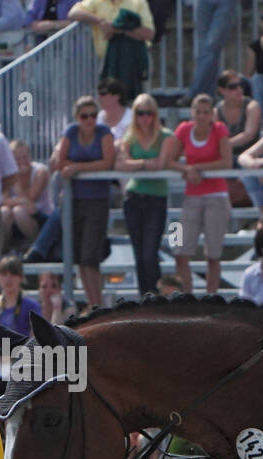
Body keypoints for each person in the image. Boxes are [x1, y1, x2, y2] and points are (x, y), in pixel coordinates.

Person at [51, 95, 116, 309]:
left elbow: (107, 162)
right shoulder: (70, 132)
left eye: (93, 115)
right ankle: (92, 304)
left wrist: (78, 167)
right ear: (77, 117)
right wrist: (85, 165)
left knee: (91, 256)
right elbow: (60, 162)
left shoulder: (104, 133)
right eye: (84, 116)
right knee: (79, 256)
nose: (89, 120)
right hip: (74, 200)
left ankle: (97, 304)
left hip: (97, 200)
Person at [163, 95, 231, 295]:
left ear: (212, 114)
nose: (201, 116)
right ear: (192, 112)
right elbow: (170, 160)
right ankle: (187, 298)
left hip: (217, 195)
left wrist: (195, 168)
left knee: (213, 254)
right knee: (180, 250)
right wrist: (186, 170)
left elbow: (226, 161)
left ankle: (211, 299)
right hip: (191, 196)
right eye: (198, 112)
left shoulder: (219, 130)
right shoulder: (184, 129)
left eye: (206, 112)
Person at [116, 92, 172, 297]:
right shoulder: (129, 137)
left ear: (155, 114)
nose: (145, 118)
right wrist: (144, 164)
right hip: (134, 197)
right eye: (140, 113)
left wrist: (136, 165)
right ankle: (144, 298)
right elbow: (120, 164)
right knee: (139, 255)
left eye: (149, 113)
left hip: (156, 198)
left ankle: (155, 297)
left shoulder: (165, 136)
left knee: (150, 253)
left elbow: (160, 164)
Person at [68, 0, 155, 93]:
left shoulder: (138, 3)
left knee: (139, 101)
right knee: (109, 101)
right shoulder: (95, 2)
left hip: (136, 62)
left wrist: (118, 29)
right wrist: (100, 21)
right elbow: (73, 13)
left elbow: (149, 33)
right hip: (107, 63)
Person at [216, 69, 263, 208]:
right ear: (222, 90)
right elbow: (213, 139)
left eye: (240, 85)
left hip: (250, 156)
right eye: (232, 87)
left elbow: (248, 135)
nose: (238, 89)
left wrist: (224, 145)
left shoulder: (252, 106)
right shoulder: (217, 111)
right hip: (228, 158)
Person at [0, 254, 44, 347]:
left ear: (21, 277)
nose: (8, 279)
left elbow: (36, 339)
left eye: (13, 274)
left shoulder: (32, 306)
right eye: (4, 274)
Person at [1, 138, 51, 252]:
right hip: (15, 220)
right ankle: (4, 250)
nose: (22, 161)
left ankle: (36, 249)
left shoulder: (40, 172)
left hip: (40, 217)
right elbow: (3, 200)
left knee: (19, 212)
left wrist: (16, 179)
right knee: (4, 212)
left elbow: (30, 200)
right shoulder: (7, 174)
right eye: (17, 159)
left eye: (25, 157)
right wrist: (20, 201)